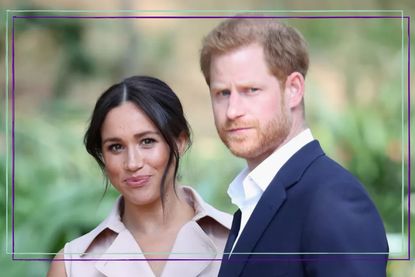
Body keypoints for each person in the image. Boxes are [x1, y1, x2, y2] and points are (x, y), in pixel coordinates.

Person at [199, 17, 389, 276]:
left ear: (294, 90)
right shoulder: (252, 202)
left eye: (251, 90)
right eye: (222, 93)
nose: (232, 111)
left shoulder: (333, 200)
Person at [47, 76, 231, 277]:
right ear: (102, 155)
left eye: (147, 141)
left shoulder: (240, 239)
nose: (133, 163)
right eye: (116, 147)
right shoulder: (72, 265)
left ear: (180, 142)